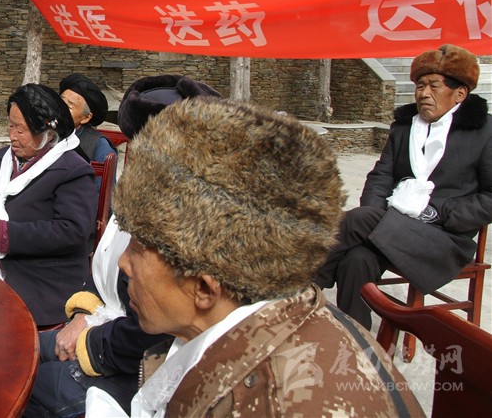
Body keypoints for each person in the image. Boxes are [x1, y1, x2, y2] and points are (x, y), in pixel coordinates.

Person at [85, 98, 424, 417]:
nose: (122, 263)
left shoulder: (280, 404)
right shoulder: (264, 317)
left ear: (204, 288)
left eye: (138, 248)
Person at [26, 75, 221, 418]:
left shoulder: (193, 222)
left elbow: (154, 330)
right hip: (101, 324)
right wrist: (82, 316)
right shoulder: (141, 194)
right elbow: (104, 263)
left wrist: (89, 342)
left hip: (140, 361)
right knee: (20, 349)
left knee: (36, 386)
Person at [316, 44, 492, 329]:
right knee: (357, 259)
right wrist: (378, 223)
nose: (423, 93)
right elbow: (380, 176)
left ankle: (297, 285)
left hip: (443, 238)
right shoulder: (405, 128)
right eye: (420, 86)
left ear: (460, 93)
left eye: (434, 86)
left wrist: (441, 212)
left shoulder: (485, 132)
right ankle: (357, 337)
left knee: (360, 219)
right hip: (394, 226)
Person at [0, 84, 97, 327]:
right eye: (10, 125)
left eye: (21, 129)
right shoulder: (0, 160)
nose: (12, 136)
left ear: (48, 132)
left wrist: (5, 234)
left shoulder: (73, 170)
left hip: (41, 279)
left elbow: (72, 232)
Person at [59, 73, 116, 164]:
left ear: (86, 117)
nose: (60, 109)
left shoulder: (99, 146)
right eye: (60, 102)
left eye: (69, 107)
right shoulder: (44, 133)